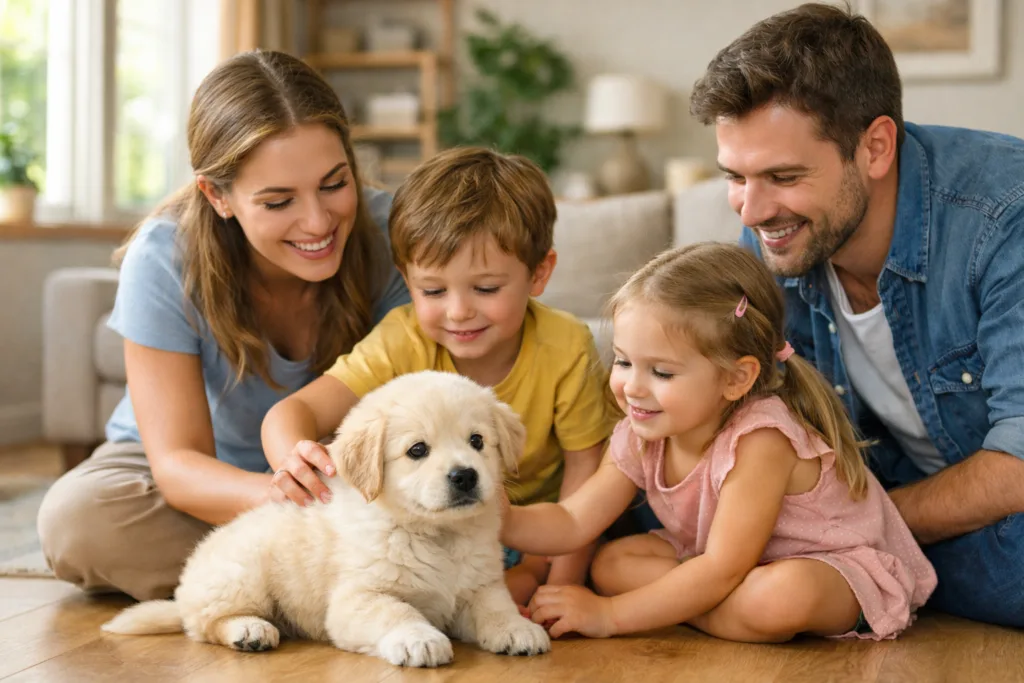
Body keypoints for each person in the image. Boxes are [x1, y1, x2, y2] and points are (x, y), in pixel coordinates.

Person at [687, 3, 1024, 628]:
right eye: (734, 176)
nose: (752, 211)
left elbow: (1018, 466)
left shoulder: (1005, 215)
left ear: (875, 146)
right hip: (884, 494)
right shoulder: (775, 236)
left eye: (783, 176)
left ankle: (857, 581)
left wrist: (853, 531)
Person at [36, 50, 409, 601]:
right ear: (218, 196)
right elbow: (179, 465)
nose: (317, 221)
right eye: (279, 200)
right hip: (219, 482)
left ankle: (276, 585)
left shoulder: (391, 231)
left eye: (334, 183)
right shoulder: (165, 256)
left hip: (341, 473)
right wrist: (288, 501)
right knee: (77, 522)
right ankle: (327, 583)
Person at [500, 242, 936, 642]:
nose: (632, 387)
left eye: (662, 372)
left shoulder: (761, 439)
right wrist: (503, 518)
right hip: (721, 563)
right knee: (612, 562)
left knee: (780, 596)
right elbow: (574, 521)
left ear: (735, 378)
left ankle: (693, 608)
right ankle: (708, 609)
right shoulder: (641, 432)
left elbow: (722, 567)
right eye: (623, 361)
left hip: (827, 566)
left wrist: (609, 615)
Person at [261, 146, 620, 607]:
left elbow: (584, 479)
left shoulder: (566, 344)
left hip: (535, 536)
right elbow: (295, 411)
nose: (458, 311)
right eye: (432, 290)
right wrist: (295, 460)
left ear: (539, 274)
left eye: (486, 288)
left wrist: (560, 584)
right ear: (406, 280)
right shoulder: (402, 337)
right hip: (425, 534)